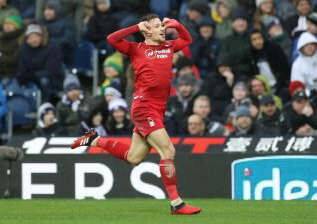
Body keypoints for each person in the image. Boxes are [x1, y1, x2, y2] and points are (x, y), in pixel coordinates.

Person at [71, 14, 201, 215]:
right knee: (168, 151)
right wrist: (134, 27)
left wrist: (178, 25)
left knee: (134, 158)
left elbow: (187, 41)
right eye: (157, 26)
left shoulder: (168, 46)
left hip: (157, 109)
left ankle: (94, 140)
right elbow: (112, 39)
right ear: (146, 30)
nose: (162, 29)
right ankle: (177, 204)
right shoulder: (136, 49)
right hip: (144, 107)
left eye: (163, 26)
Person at [0, 15, 24, 82]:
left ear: (17, 27)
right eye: (6, 24)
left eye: (11, 24)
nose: (7, 26)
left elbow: (14, 60)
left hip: (11, 74)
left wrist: (1, 56)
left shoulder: (20, 40)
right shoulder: (1, 37)